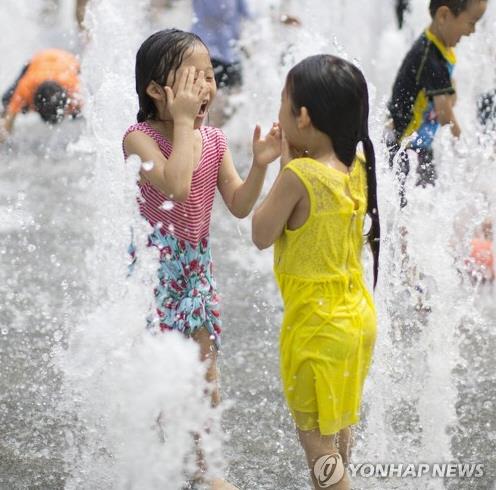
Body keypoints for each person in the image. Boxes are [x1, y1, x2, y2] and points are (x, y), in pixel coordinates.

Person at [122, 28, 281, 490]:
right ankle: (151, 462)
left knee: (207, 378)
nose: (206, 88)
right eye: (192, 80)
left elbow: (238, 203)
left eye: (209, 77)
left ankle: (205, 469)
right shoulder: (139, 139)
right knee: (158, 382)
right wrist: (186, 123)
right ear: (156, 91)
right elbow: (176, 184)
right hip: (154, 277)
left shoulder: (212, 140)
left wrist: (261, 164)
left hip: (196, 273)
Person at [252, 55, 380, 489]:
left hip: (317, 330)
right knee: (339, 430)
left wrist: (282, 167)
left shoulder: (300, 175)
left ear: (302, 117)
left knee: (318, 450)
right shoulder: (357, 169)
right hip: (357, 321)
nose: (279, 110)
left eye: (284, 102)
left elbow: (261, 232)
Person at [387, 0, 488, 207]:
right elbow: (445, 116)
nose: (473, 31)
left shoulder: (438, 48)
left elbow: (449, 98)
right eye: (471, 22)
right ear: (444, 16)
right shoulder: (430, 58)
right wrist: (464, 147)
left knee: (426, 198)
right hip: (402, 145)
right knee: (403, 207)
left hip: (418, 143)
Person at [0, 49, 81, 141]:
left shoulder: (74, 89)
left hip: (68, 61)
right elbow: (9, 118)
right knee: (7, 101)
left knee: (77, 113)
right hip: (36, 62)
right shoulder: (25, 89)